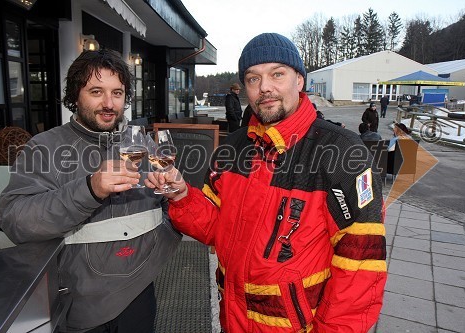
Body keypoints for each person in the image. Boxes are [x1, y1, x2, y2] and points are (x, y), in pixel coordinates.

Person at [146, 33, 386, 332]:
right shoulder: (231, 147)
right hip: (232, 319)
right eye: (253, 78)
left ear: (299, 81)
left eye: (277, 74)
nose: (265, 88)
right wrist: (182, 195)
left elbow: (360, 264)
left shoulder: (342, 151)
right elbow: (213, 230)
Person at [0, 49, 181, 333]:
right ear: (75, 95)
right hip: (79, 303)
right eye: (96, 91)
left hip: (140, 292)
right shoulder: (43, 148)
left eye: (117, 93)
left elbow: (168, 209)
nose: (109, 103)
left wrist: (175, 198)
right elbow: (16, 221)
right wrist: (89, 189)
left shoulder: (142, 145)